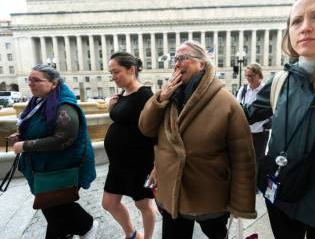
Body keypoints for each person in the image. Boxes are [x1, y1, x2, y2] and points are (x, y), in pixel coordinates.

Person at [244, 0, 315, 238]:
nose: (305, 27)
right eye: (296, 20)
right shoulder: (281, 81)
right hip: (283, 201)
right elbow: (242, 115)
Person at [138, 40, 257, 239]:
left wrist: (240, 204)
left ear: (202, 64)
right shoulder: (168, 97)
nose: (176, 63)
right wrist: (160, 98)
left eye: (183, 58)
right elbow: (146, 128)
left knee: (217, 235)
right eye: (175, 59)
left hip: (208, 196)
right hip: (172, 196)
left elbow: (243, 158)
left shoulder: (226, 102)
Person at [12, 64, 97, 239]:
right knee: (54, 210)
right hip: (48, 167)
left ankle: (87, 225)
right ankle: (68, 232)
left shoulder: (64, 105)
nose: (30, 84)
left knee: (54, 206)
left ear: (54, 83)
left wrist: (26, 145)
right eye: (29, 80)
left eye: (36, 80)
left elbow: (63, 139)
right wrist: (23, 135)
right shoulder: (40, 100)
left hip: (62, 167)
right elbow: (43, 127)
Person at [102, 52, 156, 239]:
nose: (113, 76)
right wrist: (112, 108)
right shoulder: (122, 94)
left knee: (144, 205)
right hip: (118, 164)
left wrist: (156, 166)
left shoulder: (145, 95)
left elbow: (154, 131)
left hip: (138, 163)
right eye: (111, 73)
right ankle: (132, 234)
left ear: (131, 69)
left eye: (116, 71)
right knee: (109, 203)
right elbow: (121, 120)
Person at [236, 63, 270, 166]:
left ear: (260, 75)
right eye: (247, 76)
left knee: (258, 161)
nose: (249, 78)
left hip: (260, 133)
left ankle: (257, 181)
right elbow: (238, 108)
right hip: (245, 132)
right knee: (244, 159)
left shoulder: (266, 90)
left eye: (252, 76)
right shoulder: (244, 89)